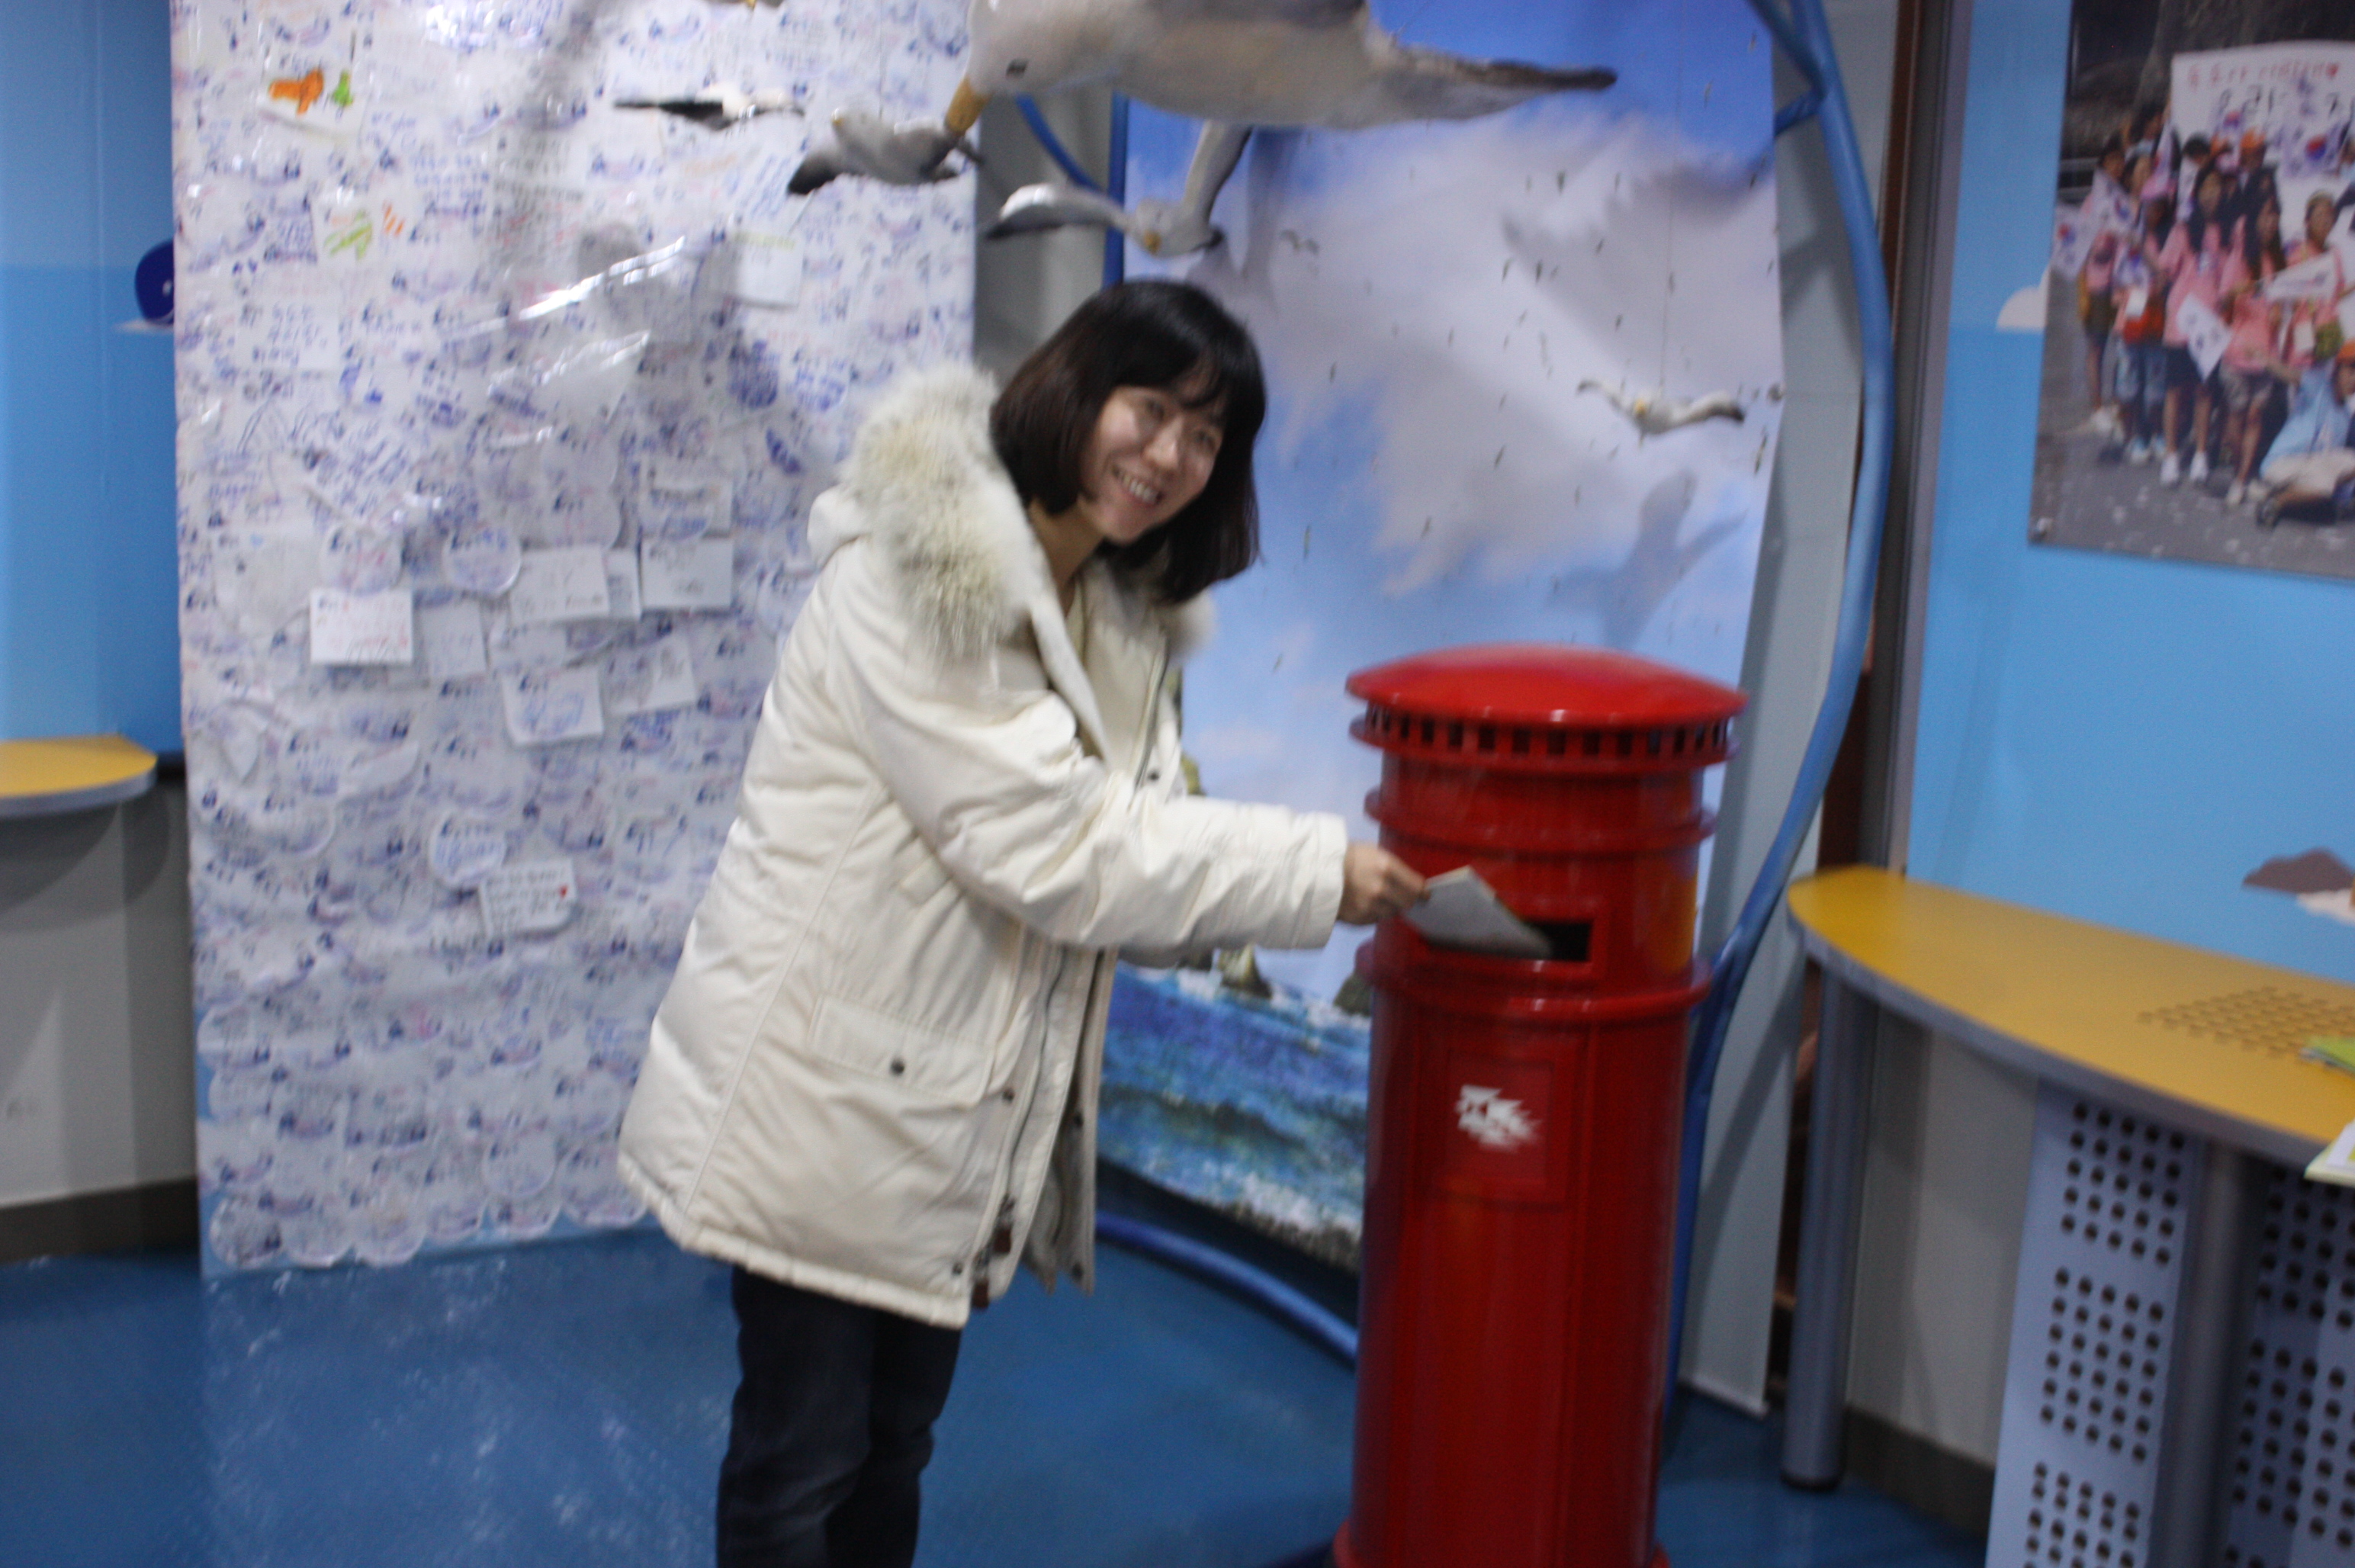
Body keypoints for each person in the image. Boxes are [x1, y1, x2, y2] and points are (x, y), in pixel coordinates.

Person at [615, 280, 1427, 1568]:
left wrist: (1261, 890)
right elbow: (1061, 848)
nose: (1169, 456)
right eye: (1150, 409)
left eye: (1206, 437)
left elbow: (1128, 870)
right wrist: (1316, 870)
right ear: (1077, 389)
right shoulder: (918, 581)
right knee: (798, 1464)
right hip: (823, 1099)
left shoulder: (1114, 614)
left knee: (893, 1445)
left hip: (938, 1109)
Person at [2156, 163, 2232, 486]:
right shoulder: (2183, 230)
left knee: (2204, 392)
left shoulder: (2228, 233)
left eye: (2217, 186)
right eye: (2206, 186)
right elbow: (2164, 270)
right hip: (2181, 324)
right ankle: (2171, 456)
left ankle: (2201, 455)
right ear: (2197, 192)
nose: (2212, 193)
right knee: (2175, 392)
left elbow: (2229, 281)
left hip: (2210, 326)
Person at [2217, 191, 2288, 506]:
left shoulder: (2278, 260)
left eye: (2275, 216)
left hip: (2266, 355)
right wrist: (2235, 292)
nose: (2270, 222)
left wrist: (2278, 315)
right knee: (2236, 416)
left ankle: (2243, 477)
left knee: (2255, 418)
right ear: (2254, 219)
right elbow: (2222, 302)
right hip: (2237, 353)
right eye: (2266, 215)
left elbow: (2280, 305)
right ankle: (2238, 473)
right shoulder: (2239, 257)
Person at [2254, 336, 2355, 529]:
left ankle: (2279, 494)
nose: (2354, 379)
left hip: (2307, 470)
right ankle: (2276, 503)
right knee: (2324, 487)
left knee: (2337, 472)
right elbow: (2288, 373)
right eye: (2351, 370)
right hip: (2282, 464)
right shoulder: (2319, 385)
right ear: (2337, 369)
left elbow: (2332, 463)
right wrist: (2261, 356)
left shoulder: (2345, 416)